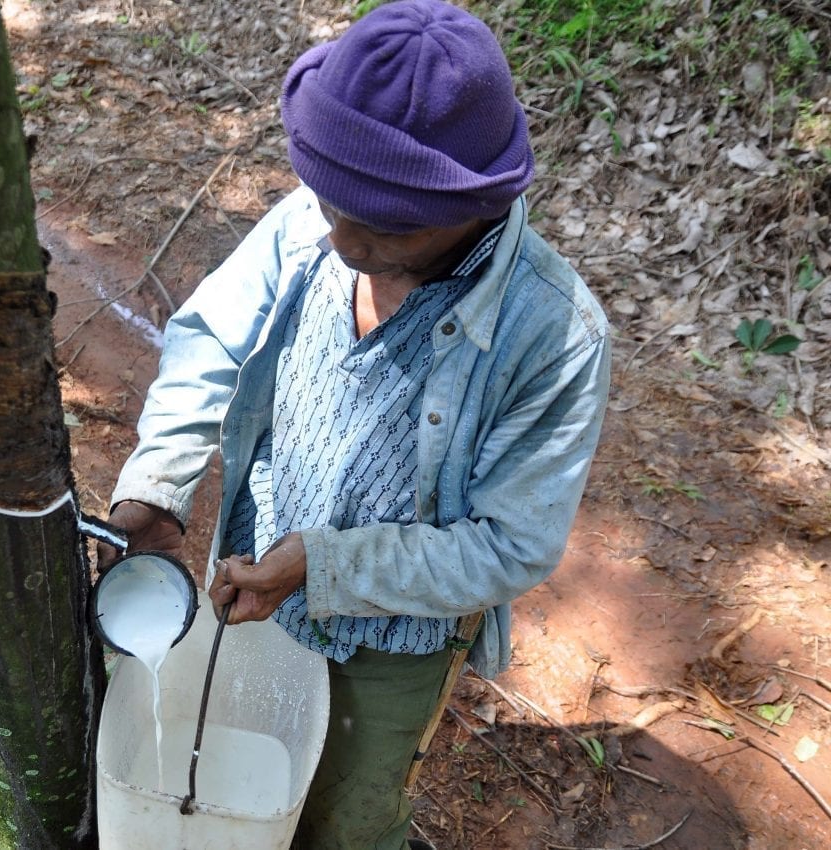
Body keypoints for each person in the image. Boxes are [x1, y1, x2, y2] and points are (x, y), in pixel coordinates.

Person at [100, 1, 611, 847]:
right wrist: (158, 484)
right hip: (259, 570)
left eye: (382, 225)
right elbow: (211, 342)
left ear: (476, 201)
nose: (340, 240)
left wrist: (329, 566)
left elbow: (511, 546)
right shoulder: (313, 222)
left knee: (349, 811)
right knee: (244, 761)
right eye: (332, 204)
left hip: (393, 638)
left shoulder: (552, 335)